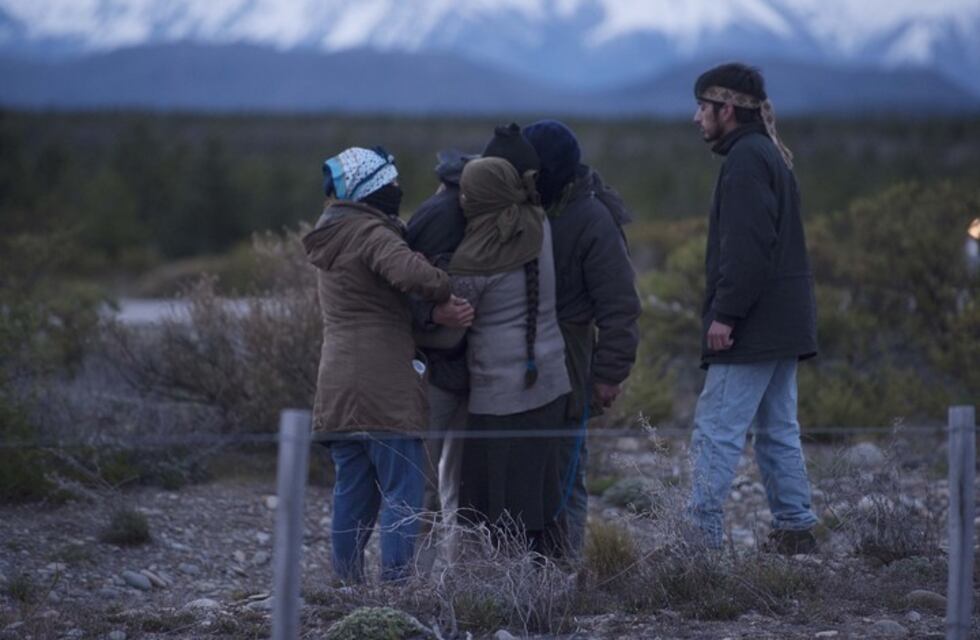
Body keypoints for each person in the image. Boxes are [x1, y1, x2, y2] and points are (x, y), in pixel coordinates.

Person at [303, 145, 473, 582]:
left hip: (337, 381)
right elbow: (413, 277)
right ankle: (398, 589)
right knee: (404, 488)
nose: (398, 190)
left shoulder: (332, 230)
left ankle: (346, 586)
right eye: (392, 183)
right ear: (374, 187)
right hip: (382, 384)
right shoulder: (370, 232)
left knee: (352, 491)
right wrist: (439, 281)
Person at [687, 62, 819, 553]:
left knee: (716, 431)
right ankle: (795, 527)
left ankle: (697, 544)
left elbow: (748, 248)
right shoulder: (767, 154)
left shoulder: (745, 161)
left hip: (753, 327)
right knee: (777, 429)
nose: (696, 117)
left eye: (703, 106)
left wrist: (726, 315)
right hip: (782, 324)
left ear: (728, 110)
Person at [406, 124, 543, 568]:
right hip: (439, 369)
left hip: (477, 371)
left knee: (460, 483)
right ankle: (413, 577)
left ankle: (453, 575)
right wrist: (433, 316)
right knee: (422, 478)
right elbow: (401, 288)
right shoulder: (446, 213)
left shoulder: (511, 217)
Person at [522, 120, 641, 557]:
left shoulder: (592, 218)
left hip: (571, 364)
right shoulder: (526, 208)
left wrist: (608, 373)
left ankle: (563, 568)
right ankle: (524, 567)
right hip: (516, 363)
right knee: (525, 467)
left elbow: (619, 304)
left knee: (566, 471)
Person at [450, 156, 571, 556]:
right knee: (540, 492)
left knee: (500, 503)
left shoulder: (473, 259)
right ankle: (552, 578)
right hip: (551, 381)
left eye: (468, 191)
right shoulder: (539, 222)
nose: (462, 198)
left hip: (499, 396)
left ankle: (510, 591)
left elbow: (452, 325)